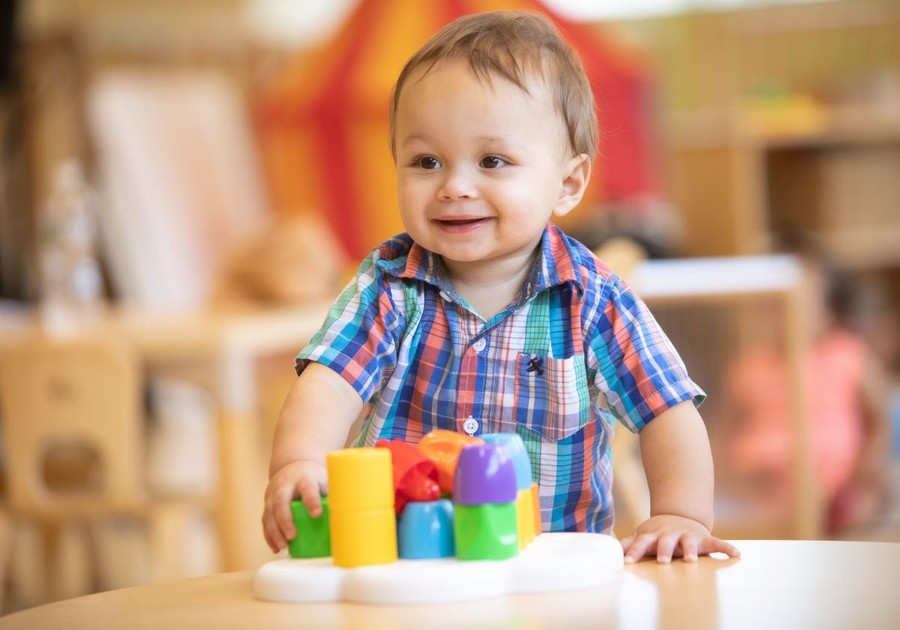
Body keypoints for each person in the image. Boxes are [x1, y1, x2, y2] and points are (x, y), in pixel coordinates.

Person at [262, 10, 739, 564]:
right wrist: (299, 462)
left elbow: (667, 409)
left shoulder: (594, 301)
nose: (455, 186)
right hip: (404, 562)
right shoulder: (388, 286)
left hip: (553, 565)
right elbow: (330, 382)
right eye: (426, 161)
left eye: (492, 161)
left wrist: (680, 514)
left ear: (567, 183)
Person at [723, 237, 891, 534]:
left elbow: (879, 417)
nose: (782, 317)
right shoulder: (750, 365)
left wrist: (865, 468)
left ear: (829, 312)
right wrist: (729, 475)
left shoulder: (847, 353)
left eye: (803, 305)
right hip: (763, 482)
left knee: (860, 502)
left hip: (835, 482)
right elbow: (726, 428)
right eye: (771, 307)